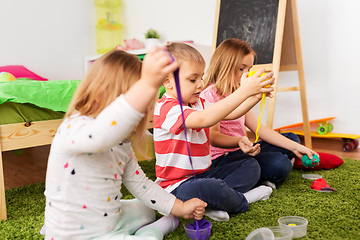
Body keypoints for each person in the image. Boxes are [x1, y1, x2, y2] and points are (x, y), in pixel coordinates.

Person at [43, 48, 207, 240]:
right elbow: (101, 136)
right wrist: (146, 84)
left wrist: (180, 207)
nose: (144, 113)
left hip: (107, 218)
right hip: (77, 235)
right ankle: (151, 233)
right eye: (141, 107)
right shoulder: (74, 127)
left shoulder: (122, 142)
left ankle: (147, 224)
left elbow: (141, 184)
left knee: (148, 209)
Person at [153, 42, 275, 222]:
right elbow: (204, 119)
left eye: (201, 78)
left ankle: (214, 203)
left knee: (250, 166)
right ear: (168, 82)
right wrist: (244, 91)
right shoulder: (166, 108)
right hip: (176, 187)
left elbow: (230, 113)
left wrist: (255, 96)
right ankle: (242, 200)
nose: (200, 85)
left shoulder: (197, 103)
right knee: (212, 188)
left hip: (204, 173)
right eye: (193, 80)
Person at [201, 38, 317, 190]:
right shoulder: (209, 95)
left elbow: (259, 129)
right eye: (242, 69)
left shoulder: (237, 92)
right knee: (279, 164)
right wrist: (239, 141)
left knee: (292, 139)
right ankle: (261, 174)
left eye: (249, 69)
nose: (247, 75)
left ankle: (265, 171)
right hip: (223, 158)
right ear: (224, 66)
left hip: (243, 149)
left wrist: (295, 148)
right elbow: (213, 137)